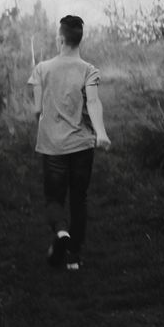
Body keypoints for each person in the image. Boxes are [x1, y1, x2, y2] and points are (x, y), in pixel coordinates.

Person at [27, 15, 111, 271]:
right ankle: (74, 257)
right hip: (82, 145)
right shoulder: (89, 69)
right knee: (79, 199)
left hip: (53, 145)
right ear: (79, 39)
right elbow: (94, 103)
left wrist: (36, 107)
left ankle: (61, 233)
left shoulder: (42, 68)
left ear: (61, 38)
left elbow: (37, 110)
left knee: (54, 199)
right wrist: (101, 133)